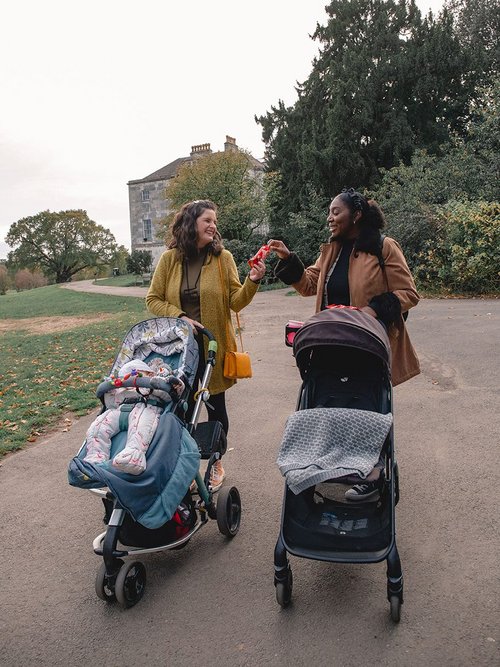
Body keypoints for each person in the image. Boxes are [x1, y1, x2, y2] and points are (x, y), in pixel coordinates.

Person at [268, 187, 420, 501]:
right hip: (332, 344)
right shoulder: (331, 250)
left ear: (357, 215)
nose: (330, 218)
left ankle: (372, 471)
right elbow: (309, 285)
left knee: (365, 403)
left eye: (336, 212)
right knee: (329, 401)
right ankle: (332, 463)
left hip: (368, 344)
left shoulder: (383, 247)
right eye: (329, 212)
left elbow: (409, 294)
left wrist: (374, 310)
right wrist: (288, 259)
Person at [146, 199, 266, 491]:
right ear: (191, 224)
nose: (213, 225)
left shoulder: (222, 258)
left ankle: (215, 463)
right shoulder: (169, 259)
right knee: (181, 408)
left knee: (215, 407)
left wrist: (253, 280)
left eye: (215, 221)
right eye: (207, 220)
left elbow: (235, 300)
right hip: (179, 350)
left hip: (213, 347)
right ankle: (182, 466)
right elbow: (153, 300)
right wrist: (181, 317)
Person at [83, 359, 183, 475]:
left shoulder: (153, 382)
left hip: (145, 407)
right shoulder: (120, 389)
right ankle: (95, 457)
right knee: (98, 426)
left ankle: (133, 456)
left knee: (140, 429)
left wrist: (158, 383)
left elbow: (170, 394)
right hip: (119, 409)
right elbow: (110, 404)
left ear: (150, 373)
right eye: (124, 377)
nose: (128, 380)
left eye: (133, 374)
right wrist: (110, 390)